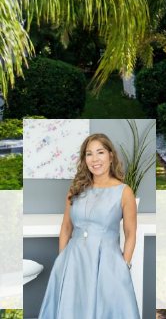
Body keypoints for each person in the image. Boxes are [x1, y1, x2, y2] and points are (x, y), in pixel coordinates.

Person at [38, 133, 139, 318]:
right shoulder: (75, 189)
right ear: (85, 159)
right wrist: (62, 260)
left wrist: (124, 265)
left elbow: (131, 233)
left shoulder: (124, 192)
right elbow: (66, 227)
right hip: (73, 261)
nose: (95, 159)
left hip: (107, 263)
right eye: (89, 154)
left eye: (100, 152)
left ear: (111, 156)